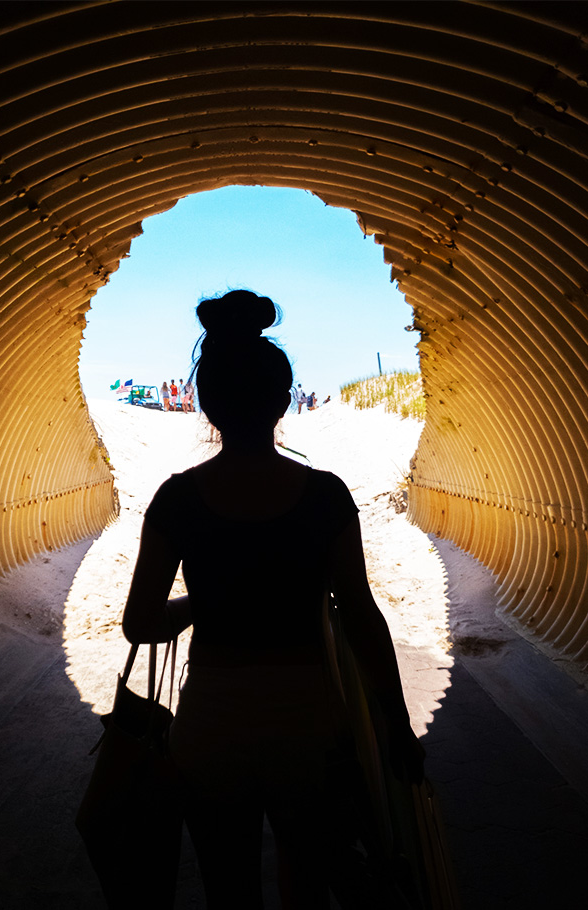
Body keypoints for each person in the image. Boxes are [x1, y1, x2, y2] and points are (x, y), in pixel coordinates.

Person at [123, 290, 424, 909]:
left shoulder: (177, 499)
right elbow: (361, 615)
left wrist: (202, 606)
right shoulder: (325, 496)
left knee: (228, 891)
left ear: (206, 402)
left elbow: (140, 625)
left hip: (211, 724)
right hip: (307, 723)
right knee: (308, 888)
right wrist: (396, 721)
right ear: (283, 400)